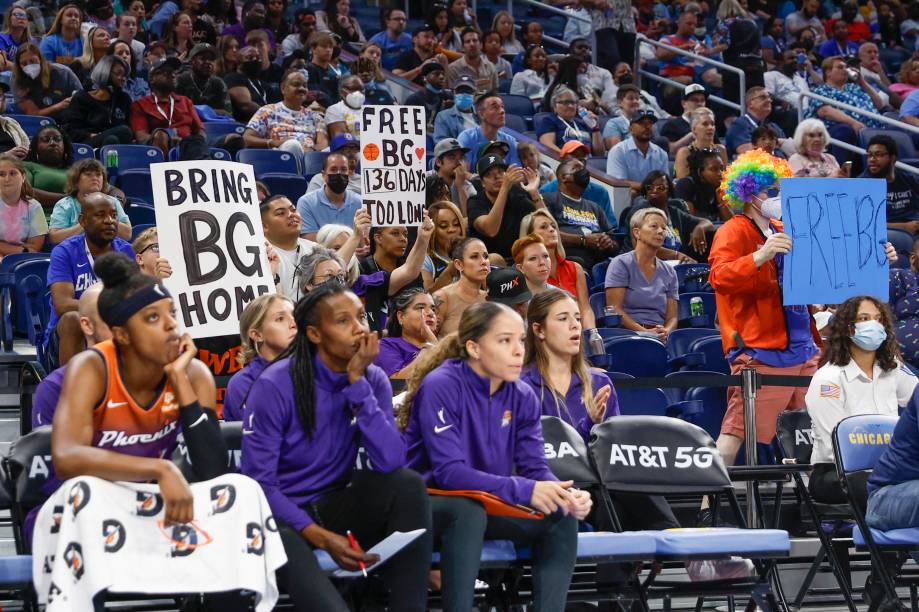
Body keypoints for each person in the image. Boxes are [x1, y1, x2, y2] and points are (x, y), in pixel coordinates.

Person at [48, 252, 266, 606]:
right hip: (90, 508)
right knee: (83, 491)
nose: (170, 326)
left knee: (241, 491)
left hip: (153, 504)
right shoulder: (93, 366)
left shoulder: (193, 373)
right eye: (153, 317)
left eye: (172, 315)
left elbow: (212, 469)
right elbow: (66, 457)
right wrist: (159, 467)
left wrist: (181, 383)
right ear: (121, 335)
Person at [705, 152, 889, 499]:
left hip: (805, 348)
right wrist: (760, 256)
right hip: (762, 350)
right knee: (735, 430)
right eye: (771, 189)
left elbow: (825, 274)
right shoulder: (732, 230)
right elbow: (719, 277)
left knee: (816, 433)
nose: (777, 196)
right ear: (748, 193)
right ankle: (705, 506)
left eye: (780, 188)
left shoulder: (781, 228)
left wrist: (879, 257)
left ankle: (815, 506)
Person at [241, 283, 432, 611]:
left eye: (360, 317)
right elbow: (259, 486)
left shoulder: (371, 379)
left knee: (408, 486)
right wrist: (318, 535)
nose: (359, 328)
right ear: (314, 334)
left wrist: (358, 385)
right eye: (343, 321)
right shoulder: (273, 384)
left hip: (332, 502)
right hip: (279, 516)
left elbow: (391, 461)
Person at [400, 300, 588, 612]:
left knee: (561, 515)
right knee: (467, 509)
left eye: (521, 340)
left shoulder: (522, 393)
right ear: (474, 348)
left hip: (485, 504)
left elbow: (534, 467)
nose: (518, 350)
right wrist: (525, 489)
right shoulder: (441, 385)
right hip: (427, 507)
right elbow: (449, 474)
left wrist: (562, 493)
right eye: (505, 340)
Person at [805, 295, 917, 504]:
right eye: (864, 319)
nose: (873, 324)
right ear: (848, 328)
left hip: (887, 468)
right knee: (880, 484)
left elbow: (916, 397)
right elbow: (834, 446)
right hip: (836, 473)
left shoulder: (893, 369)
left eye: (878, 318)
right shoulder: (828, 379)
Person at [47, 193, 135, 366]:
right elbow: (62, 304)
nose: (110, 220)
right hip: (70, 331)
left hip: (114, 324)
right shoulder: (64, 252)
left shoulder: (126, 251)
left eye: (114, 215)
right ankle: (73, 387)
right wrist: (106, 307)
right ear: (83, 221)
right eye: (100, 215)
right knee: (72, 318)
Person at [521, 288, 617, 442]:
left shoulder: (600, 383)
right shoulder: (520, 388)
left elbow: (613, 451)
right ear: (539, 330)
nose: (575, 326)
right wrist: (589, 425)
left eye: (578, 318)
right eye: (563, 318)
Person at [31, 283, 109, 429]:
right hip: (60, 339)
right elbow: (57, 450)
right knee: (71, 319)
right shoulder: (52, 388)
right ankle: (72, 392)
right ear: (87, 325)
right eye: (109, 318)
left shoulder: (146, 380)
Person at [605, 207, 679, 342]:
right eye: (654, 226)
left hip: (660, 336)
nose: (661, 231)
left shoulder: (670, 271)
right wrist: (644, 332)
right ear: (637, 233)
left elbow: (672, 317)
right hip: (627, 335)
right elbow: (615, 309)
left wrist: (666, 331)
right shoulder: (620, 264)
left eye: (663, 228)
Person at [223, 293, 296, 421]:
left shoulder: (316, 369)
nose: (293, 324)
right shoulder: (242, 384)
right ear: (257, 335)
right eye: (280, 319)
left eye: (295, 316)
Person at [520, 208, 596, 329]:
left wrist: (590, 334)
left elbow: (585, 309)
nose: (551, 229)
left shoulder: (575, 268)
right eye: (544, 227)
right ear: (530, 236)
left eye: (553, 226)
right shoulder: (528, 273)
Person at [359, 219, 434, 333]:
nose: (403, 239)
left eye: (405, 234)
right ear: (378, 237)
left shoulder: (413, 269)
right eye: (395, 233)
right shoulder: (361, 268)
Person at [542, 159, 618, 269]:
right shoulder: (549, 200)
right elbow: (545, 235)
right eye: (577, 168)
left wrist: (608, 243)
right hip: (564, 263)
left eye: (583, 169)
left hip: (598, 265)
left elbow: (615, 244)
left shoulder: (595, 207)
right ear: (564, 177)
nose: (583, 172)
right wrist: (582, 240)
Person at [243, 70, 328, 169]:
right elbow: (247, 138)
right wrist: (272, 142)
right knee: (293, 145)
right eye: (296, 85)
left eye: (305, 86)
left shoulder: (315, 116)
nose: (302, 88)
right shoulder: (268, 110)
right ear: (283, 88)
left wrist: (311, 149)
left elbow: (323, 144)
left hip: (309, 157)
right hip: (279, 157)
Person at [467, 155, 543, 260]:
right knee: (495, 258)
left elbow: (545, 222)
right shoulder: (475, 202)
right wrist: (504, 188)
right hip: (488, 263)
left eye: (500, 172)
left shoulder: (517, 194)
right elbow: (490, 230)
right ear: (482, 183)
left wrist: (534, 193)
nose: (497, 177)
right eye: (489, 174)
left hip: (519, 259)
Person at [130, 56, 207, 158]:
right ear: (152, 78)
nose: (172, 75)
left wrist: (187, 143)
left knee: (232, 138)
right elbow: (141, 137)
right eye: (166, 72)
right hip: (159, 146)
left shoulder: (185, 101)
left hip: (190, 145)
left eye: (174, 72)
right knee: (160, 136)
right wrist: (167, 138)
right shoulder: (140, 104)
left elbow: (200, 131)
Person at [633, 171, 713, 262]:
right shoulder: (640, 213)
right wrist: (677, 255)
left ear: (669, 191)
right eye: (649, 188)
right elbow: (646, 247)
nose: (654, 190)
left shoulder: (674, 212)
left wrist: (699, 228)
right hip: (647, 263)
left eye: (660, 188)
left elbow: (707, 222)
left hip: (676, 263)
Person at [49, 161, 131, 244]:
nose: (95, 178)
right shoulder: (64, 205)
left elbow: (127, 234)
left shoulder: (113, 202)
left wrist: (105, 216)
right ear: (76, 180)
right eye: (88, 174)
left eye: (98, 174)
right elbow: (55, 238)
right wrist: (87, 221)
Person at [62, 55, 134, 147]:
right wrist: (91, 135)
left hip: (113, 146)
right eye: (118, 73)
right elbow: (70, 130)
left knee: (112, 139)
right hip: (87, 145)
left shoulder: (124, 99)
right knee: (124, 131)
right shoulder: (81, 98)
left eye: (125, 76)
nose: (123, 78)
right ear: (105, 72)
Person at [805, 56, 884, 138]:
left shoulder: (853, 87)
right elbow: (825, 111)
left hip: (876, 128)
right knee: (845, 130)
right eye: (840, 67)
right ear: (828, 72)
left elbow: (879, 104)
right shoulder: (821, 90)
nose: (845, 70)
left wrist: (862, 82)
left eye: (846, 67)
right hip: (850, 129)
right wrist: (852, 123)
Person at [12, 43, 83, 124]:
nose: (29, 65)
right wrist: (59, 106)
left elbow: (81, 98)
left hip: (67, 120)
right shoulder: (16, 79)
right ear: (19, 65)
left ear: (41, 59)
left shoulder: (63, 72)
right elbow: (32, 114)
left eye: (32, 61)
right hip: (37, 123)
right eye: (24, 64)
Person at [861, 134, 919, 234]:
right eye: (869, 155)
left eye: (878, 155)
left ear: (892, 158)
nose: (872, 159)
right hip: (889, 234)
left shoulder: (909, 179)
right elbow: (863, 223)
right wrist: (904, 227)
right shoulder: (863, 184)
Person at [297, 153, 362, 240]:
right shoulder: (306, 202)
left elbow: (364, 238)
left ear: (349, 174)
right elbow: (310, 243)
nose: (339, 173)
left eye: (343, 169)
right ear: (323, 175)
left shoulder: (360, 202)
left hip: (356, 253)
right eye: (333, 169)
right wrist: (351, 246)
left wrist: (364, 248)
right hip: (320, 253)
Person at [433, 237, 490, 336]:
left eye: (485, 256)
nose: (483, 262)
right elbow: (426, 341)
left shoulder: (490, 298)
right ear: (459, 264)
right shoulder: (443, 298)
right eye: (474, 257)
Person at [375, 288, 438, 377]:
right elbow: (397, 383)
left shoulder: (448, 347)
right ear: (401, 317)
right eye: (420, 308)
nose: (431, 313)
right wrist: (430, 350)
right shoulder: (386, 345)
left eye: (433, 309)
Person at [605, 110, 669, 191]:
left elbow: (664, 182)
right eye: (642, 123)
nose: (647, 126)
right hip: (629, 199)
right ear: (630, 129)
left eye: (650, 123)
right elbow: (618, 183)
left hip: (655, 197)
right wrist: (650, 188)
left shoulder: (661, 153)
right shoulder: (618, 151)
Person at [0, 154, 48, 256]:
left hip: (20, 260)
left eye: (13, 173)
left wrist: (5, 249)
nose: (7, 179)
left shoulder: (35, 207)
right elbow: (26, 250)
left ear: (23, 177)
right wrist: (20, 249)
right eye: (1, 174)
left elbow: (34, 249)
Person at [538, 86, 603, 157]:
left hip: (589, 163)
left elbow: (599, 153)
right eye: (565, 102)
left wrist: (595, 128)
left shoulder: (584, 122)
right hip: (565, 162)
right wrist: (568, 159)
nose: (570, 106)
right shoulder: (549, 120)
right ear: (555, 106)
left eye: (573, 102)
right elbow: (547, 146)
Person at [724, 86, 788, 158]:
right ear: (750, 103)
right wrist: (779, 144)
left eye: (769, 97)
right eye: (763, 97)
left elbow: (789, 149)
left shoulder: (774, 126)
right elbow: (748, 152)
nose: (769, 100)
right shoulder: (739, 125)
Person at [22, 126, 76, 209]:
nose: (53, 143)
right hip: (37, 217)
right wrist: (67, 199)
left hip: (73, 218)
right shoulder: (27, 166)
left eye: (57, 139)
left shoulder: (76, 171)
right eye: (45, 140)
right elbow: (24, 191)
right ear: (36, 148)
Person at [674, 148, 732, 223]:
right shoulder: (686, 185)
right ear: (700, 172)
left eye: (721, 169)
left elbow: (730, 223)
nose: (720, 173)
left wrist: (721, 201)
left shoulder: (719, 187)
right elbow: (689, 223)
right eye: (713, 169)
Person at [175, 42, 232, 116]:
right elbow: (176, 112)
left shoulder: (218, 83)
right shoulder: (181, 81)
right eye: (203, 58)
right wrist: (211, 112)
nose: (208, 62)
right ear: (192, 61)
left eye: (211, 59)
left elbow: (228, 115)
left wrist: (196, 111)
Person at [674, 108, 728, 180]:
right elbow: (682, 185)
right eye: (705, 124)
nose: (710, 127)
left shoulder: (721, 150)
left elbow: (725, 180)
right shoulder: (684, 153)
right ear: (694, 129)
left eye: (712, 124)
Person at [424, 200, 465, 291]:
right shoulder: (426, 261)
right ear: (433, 230)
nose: (452, 230)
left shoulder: (473, 254)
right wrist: (448, 274)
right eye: (443, 226)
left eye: (456, 224)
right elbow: (426, 297)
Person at [764, 49, 821, 113]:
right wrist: (780, 102)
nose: (795, 60)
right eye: (791, 58)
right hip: (787, 114)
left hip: (807, 112)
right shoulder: (770, 75)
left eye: (796, 58)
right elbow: (767, 96)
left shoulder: (800, 79)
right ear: (781, 61)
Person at [658, 84, 708, 156]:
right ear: (684, 103)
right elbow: (669, 151)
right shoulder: (672, 125)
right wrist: (690, 136)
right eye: (694, 100)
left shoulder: (708, 124)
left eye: (702, 100)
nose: (699, 104)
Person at [428, 139, 474, 216]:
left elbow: (469, 219)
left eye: (461, 158)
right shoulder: (425, 180)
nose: (459, 162)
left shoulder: (466, 185)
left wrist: (460, 187)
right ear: (438, 162)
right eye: (452, 157)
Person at [445, 28, 498, 94]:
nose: (472, 44)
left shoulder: (491, 67)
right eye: (468, 41)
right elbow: (452, 96)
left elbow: (495, 93)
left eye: (475, 40)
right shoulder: (453, 69)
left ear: (481, 45)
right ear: (462, 47)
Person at [432, 75, 478, 141]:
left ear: (475, 94)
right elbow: (440, 142)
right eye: (460, 91)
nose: (464, 94)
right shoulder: (443, 117)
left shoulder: (483, 114)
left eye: (468, 91)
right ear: (453, 93)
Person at [405, 63, 450, 128]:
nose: (441, 77)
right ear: (424, 78)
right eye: (436, 74)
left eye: (443, 74)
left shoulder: (445, 97)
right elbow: (406, 126)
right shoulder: (414, 99)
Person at [602, 85, 642, 150]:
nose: (635, 101)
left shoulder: (647, 122)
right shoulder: (613, 124)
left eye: (637, 98)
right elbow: (616, 151)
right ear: (620, 103)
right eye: (630, 98)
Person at [0, 6, 35, 72]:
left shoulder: (33, 42)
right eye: (17, 15)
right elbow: (2, 63)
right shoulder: (1, 38)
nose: (21, 18)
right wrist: (23, 69)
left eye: (24, 16)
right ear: (9, 19)